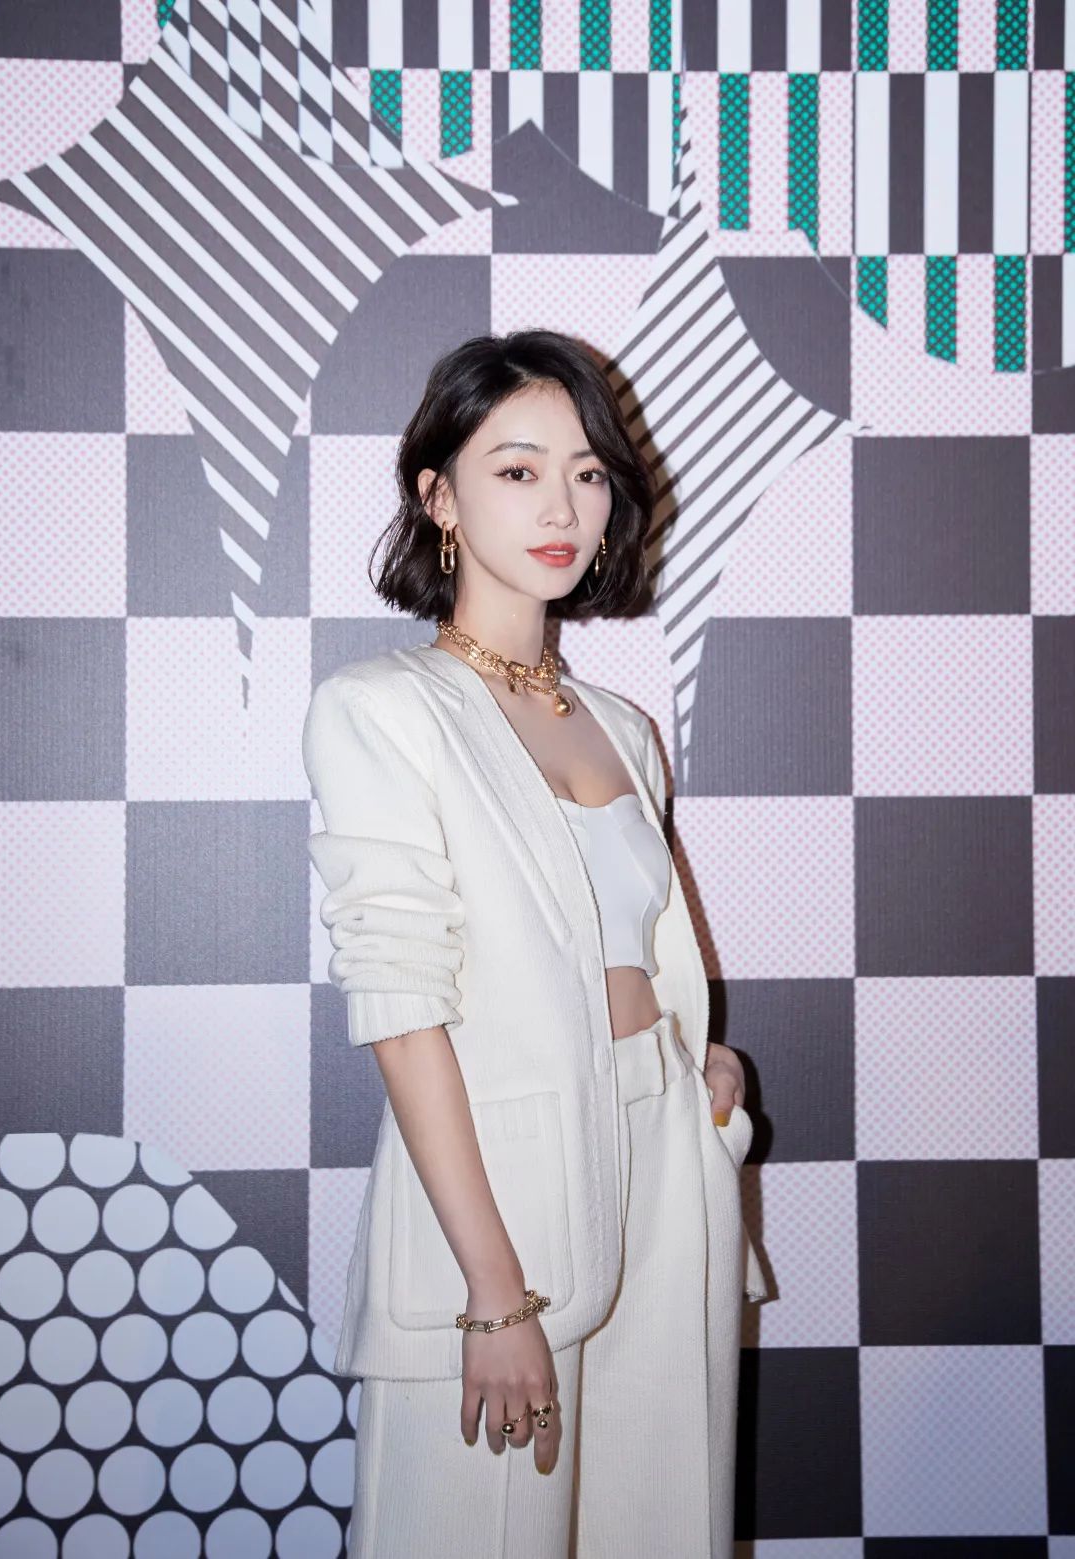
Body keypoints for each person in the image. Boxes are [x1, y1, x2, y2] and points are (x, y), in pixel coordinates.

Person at [302, 329, 767, 1559]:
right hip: (498, 1202)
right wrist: (492, 1290)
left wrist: (692, 1059)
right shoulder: (382, 709)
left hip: (667, 1167)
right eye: (516, 470)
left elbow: (629, 943)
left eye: (587, 471)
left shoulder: (624, 726)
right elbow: (404, 1012)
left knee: (660, 1528)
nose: (562, 505)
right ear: (440, 497)